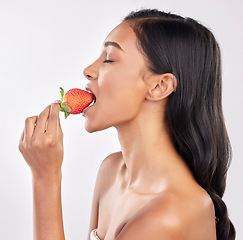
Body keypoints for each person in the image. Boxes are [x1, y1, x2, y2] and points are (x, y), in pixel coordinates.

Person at [18, 9, 236, 240]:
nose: (88, 71)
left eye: (109, 59)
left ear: (159, 87)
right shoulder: (111, 170)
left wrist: (45, 179)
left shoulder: (170, 213)